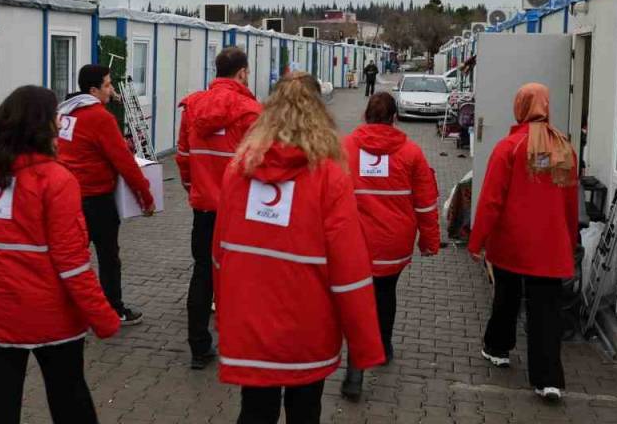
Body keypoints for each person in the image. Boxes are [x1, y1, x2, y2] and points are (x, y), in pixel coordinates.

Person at [214, 72, 385, 424]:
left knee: (255, 410)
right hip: (308, 326)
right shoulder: (329, 175)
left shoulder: (239, 169)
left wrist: (228, 312)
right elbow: (348, 268)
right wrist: (365, 344)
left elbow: (221, 253)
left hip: (252, 324)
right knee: (305, 411)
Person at [0, 86, 121, 423]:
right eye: (55, 117)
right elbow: (72, 263)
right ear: (43, 125)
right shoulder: (56, 180)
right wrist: (104, 316)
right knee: (69, 396)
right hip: (49, 312)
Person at [467, 83, 579, 402]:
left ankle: (498, 348)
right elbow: (571, 201)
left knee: (507, 297)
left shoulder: (509, 148)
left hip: (512, 243)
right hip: (550, 246)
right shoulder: (563, 148)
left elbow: (491, 200)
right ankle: (548, 380)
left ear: (521, 106)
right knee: (546, 311)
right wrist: (570, 239)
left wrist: (477, 242)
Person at [338, 93, 442, 401]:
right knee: (385, 293)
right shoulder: (411, 152)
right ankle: (382, 347)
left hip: (354, 240)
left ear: (365, 116)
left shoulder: (344, 148)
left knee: (359, 300)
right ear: (394, 118)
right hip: (394, 242)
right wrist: (430, 240)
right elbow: (425, 203)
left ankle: (356, 368)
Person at [176, 47, 262, 370]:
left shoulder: (192, 107)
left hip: (204, 210)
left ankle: (199, 346)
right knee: (242, 276)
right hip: (239, 213)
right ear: (242, 73)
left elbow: (183, 158)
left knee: (202, 273)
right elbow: (261, 166)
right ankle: (240, 344)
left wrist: (194, 189)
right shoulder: (251, 111)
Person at [57, 64, 156, 326]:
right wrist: (146, 197)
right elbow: (124, 161)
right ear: (93, 90)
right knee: (109, 257)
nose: (112, 90)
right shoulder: (99, 117)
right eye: (108, 85)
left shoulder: (66, 113)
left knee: (72, 255)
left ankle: (65, 308)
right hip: (97, 199)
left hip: (69, 198)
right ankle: (114, 309)